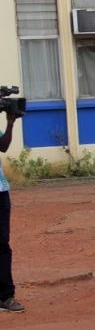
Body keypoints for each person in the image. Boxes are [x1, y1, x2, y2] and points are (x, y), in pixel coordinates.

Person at [0, 112, 23, 313]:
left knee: (2, 244)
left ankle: (6, 296)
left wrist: (10, 123)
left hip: (0, 191)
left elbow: (3, 146)